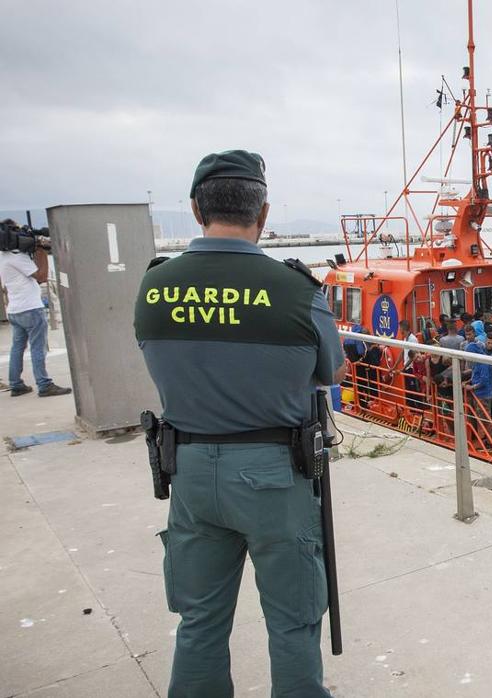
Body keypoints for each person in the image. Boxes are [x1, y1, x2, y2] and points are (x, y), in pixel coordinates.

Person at [133, 150, 344, 696]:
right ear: (264, 212)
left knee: (199, 622)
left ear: (197, 208)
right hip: (276, 476)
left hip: (190, 473)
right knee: (294, 621)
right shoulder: (298, 290)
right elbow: (329, 371)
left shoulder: (155, 286)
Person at [1, 238, 71, 397]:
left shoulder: (3, 256)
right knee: (38, 347)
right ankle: (44, 384)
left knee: (17, 348)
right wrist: (42, 251)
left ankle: (16, 384)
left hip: (14, 309)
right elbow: (42, 276)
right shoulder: (17, 258)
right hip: (30, 308)